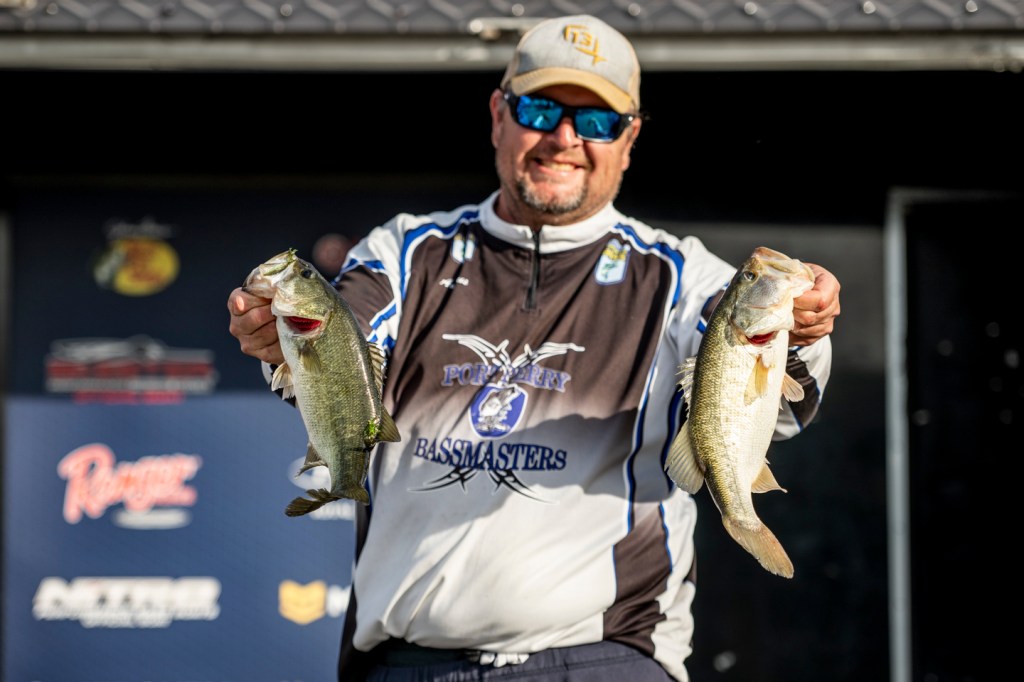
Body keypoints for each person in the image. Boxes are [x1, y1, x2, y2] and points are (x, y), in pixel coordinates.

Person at [227, 14, 840, 682]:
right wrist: (279, 343)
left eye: (598, 121)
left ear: (630, 139)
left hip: (606, 659)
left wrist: (803, 331)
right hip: (411, 663)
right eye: (540, 110)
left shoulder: (683, 276)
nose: (565, 138)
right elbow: (337, 353)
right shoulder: (402, 252)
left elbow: (775, 405)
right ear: (499, 115)